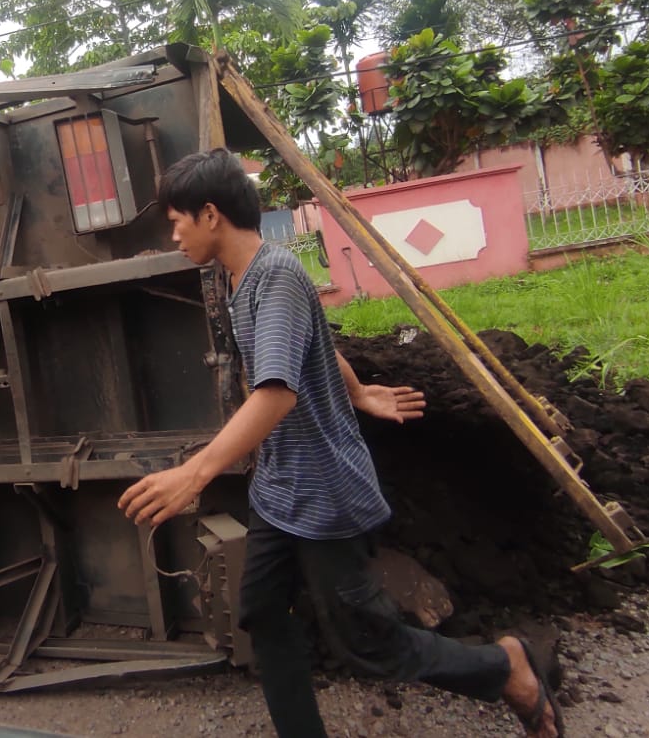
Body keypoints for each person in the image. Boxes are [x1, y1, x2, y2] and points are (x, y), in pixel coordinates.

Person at [118, 149, 562, 738]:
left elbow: (276, 393)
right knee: (264, 614)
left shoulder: (273, 274)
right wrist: (358, 393)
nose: (172, 235)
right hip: (281, 488)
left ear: (209, 214)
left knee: (370, 643)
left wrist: (193, 474)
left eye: (176, 221)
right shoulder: (237, 276)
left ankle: (506, 666)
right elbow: (315, 344)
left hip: (324, 488)